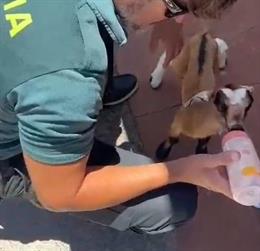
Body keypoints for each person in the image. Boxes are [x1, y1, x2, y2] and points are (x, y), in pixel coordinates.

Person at [0, 0, 238, 235]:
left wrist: (169, 14)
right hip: (9, 153)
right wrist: (180, 170)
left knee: (109, 18)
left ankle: (96, 97)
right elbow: (60, 194)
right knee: (174, 200)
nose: (179, 19)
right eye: (175, 10)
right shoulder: (67, 84)